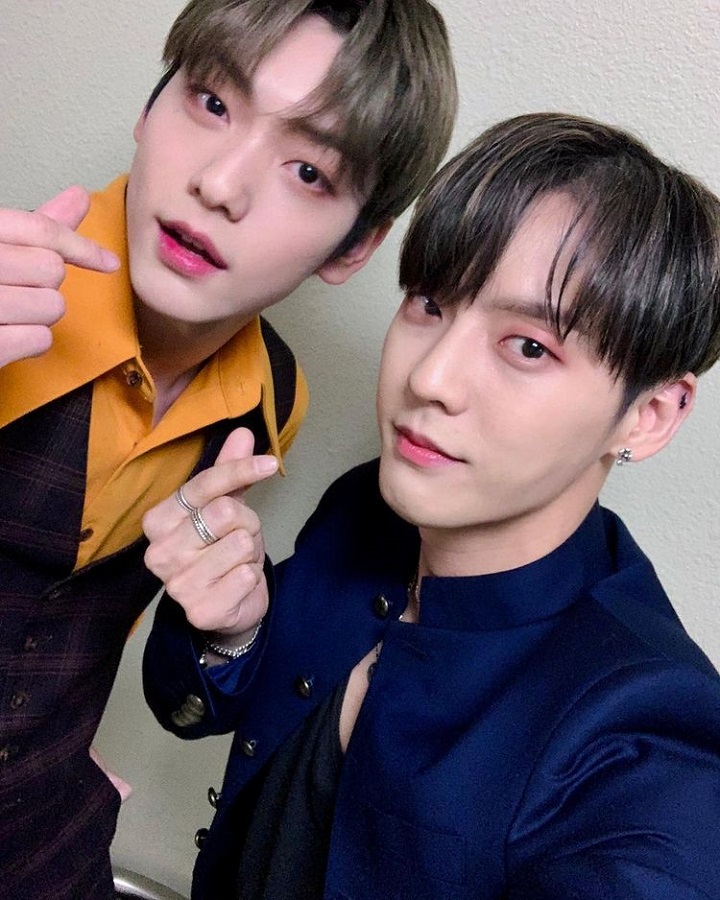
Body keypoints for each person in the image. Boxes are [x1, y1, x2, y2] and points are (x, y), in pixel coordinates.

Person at [144, 111, 720, 899]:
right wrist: (232, 633)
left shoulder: (644, 734)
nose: (430, 378)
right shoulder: (367, 511)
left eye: (529, 347)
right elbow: (194, 711)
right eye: (428, 303)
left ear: (646, 416)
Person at [0, 1, 457, 897]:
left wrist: (230, 634)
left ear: (354, 247)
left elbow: (128, 660)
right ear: (151, 104)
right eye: (211, 103)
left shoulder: (271, 401)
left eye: (308, 171)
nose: (220, 185)